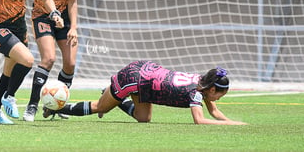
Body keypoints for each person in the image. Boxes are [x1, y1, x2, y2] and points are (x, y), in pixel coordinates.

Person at [43, 60, 248, 125]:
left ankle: (113, 94)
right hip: (135, 79)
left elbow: (214, 112)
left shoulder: (201, 83)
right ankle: (55, 109)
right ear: (212, 89)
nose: (219, 98)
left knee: (144, 118)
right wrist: (233, 124)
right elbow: (200, 121)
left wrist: (230, 122)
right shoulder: (195, 93)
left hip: (145, 79)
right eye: (220, 94)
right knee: (100, 107)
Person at [23, 0, 80, 122]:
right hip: (42, 17)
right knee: (48, 58)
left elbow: (72, 3)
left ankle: (56, 106)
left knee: (70, 63)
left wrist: (73, 28)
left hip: (64, 21)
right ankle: (32, 106)